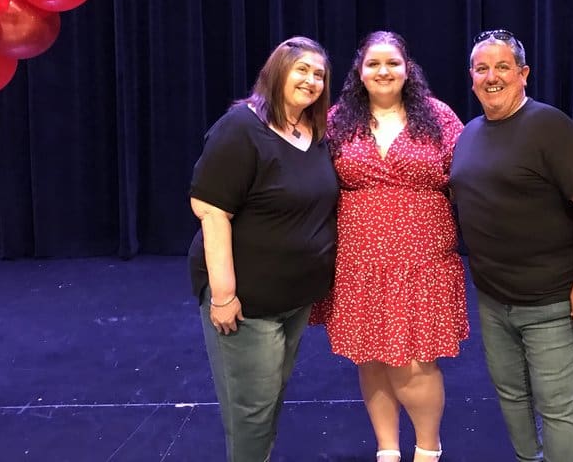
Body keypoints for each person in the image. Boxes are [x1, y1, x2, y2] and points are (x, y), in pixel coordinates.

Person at [449, 29, 573, 462]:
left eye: (502, 67)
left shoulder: (549, 126)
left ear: (524, 74)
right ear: (471, 78)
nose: (492, 77)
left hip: (552, 302)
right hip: (493, 298)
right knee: (511, 395)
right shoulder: (469, 135)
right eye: (482, 69)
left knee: (557, 407)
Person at [316, 31, 469, 462]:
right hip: (359, 257)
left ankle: (427, 449)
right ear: (359, 72)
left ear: (408, 69)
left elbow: (470, 174)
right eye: (373, 64)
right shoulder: (338, 119)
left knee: (414, 359)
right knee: (371, 356)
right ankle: (387, 450)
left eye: (393, 63)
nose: (383, 71)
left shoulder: (437, 117)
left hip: (421, 259)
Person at [187, 36, 338, 462]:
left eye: (319, 74)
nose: (311, 80)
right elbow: (212, 210)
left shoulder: (314, 132)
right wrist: (223, 295)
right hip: (246, 303)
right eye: (302, 69)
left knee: (269, 399)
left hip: (294, 299)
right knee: (251, 412)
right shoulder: (241, 127)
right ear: (277, 71)